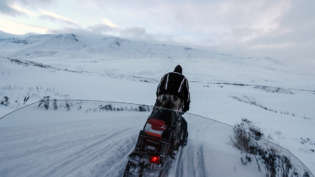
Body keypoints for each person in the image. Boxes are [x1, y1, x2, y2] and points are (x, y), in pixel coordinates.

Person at [154, 65, 190, 147]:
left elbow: (159, 88)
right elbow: (187, 96)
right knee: (176, 121)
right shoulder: (184, 79)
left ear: (174, 70)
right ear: (181, 72)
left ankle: (148, 131)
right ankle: (174, 143)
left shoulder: (166, 75)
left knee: (154, 115)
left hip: (163, 96)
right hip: (176, 99)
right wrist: (186, 107)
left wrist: (159, 97)